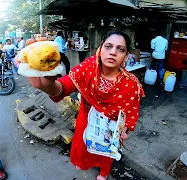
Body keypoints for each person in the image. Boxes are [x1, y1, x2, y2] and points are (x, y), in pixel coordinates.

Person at [26, 30, 145, 180]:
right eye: (108, 46)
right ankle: (83, 163)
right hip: (85, 121)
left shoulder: (131, 82)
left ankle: (103, 172)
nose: (113, 52)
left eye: (120, 49)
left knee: (105, 153)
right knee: (82, 148)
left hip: (110, 129)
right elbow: (63, 87)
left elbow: (132, 110)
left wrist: (125, 128)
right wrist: (46, 84)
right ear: (100, 49)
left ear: (126, 56)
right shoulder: (88, 67)